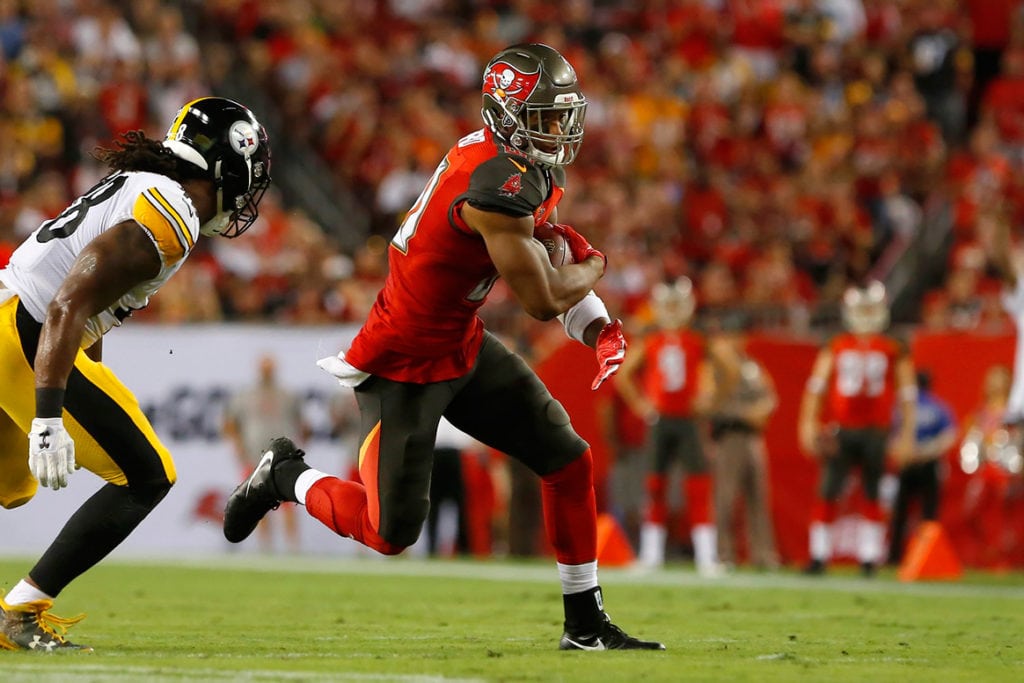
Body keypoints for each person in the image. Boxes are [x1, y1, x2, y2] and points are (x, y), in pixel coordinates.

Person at [222, 44, 663, 651]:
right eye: (544, 116)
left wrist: (594, 322)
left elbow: (548, 272)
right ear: (507, 114)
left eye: (561, 115)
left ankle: (585, 625)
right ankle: (286, 476)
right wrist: (596, 264)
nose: (559, 131)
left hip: (462, 341)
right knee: (390, 532)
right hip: (403, 361)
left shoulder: (514, 166)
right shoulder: (494, 184)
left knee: (568, 459)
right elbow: (542, 297)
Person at [0, 96, 271, 651]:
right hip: (25, 331)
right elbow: (66, 306)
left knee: (10, 488)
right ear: (226, 167)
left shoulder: (145, 186)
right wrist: (49, 418)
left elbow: (84, 312)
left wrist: (83, 383)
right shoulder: (170, 212)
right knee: (147, 475)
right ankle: (19, 615)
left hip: (12, 321)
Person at [798, 281, 916, 576]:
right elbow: (816, 387)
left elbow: (908, 395)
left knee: (873, 492)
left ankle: (869, 557)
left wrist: (907, 434)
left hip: (876, 430)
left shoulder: (892, 346)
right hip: (842, 429)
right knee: (828, 490)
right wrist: (808, 423)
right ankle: (818, 555)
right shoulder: (837, 344)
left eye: (869, 308)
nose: (864, 315)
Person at [614, 277, 720, 576]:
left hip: (687, 418)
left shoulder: (697, 339)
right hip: (661, 418)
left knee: (698, 485)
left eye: (677, 304)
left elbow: (716, 370)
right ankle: (651, 555)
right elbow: (624, 376)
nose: (672, 310)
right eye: (668, 304)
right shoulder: (651, 339)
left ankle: (706, 556)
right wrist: (641, 405)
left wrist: (709, 396)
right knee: (655, 485)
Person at [706, 314, 780, 571]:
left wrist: (760, 410)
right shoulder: (716, 367)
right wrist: (744, 412)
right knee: (725, 498)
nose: (735, 341)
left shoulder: (751, 366)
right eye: (730, 335)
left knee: (758, 497)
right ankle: (723, 553)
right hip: (728, 436)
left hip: (752, 436)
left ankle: (764, 555)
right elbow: (708, 401)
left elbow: (770, 396)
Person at [223, 353, 309, 554]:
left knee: (288, 503)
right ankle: (265, 548)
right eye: (264, 368)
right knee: (256, 504)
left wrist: (299, 446)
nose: (266, 372)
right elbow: (230, 423)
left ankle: (292, 548)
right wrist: (238, 446)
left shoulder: (287, 394)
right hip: (255, 456)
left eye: (269, 368)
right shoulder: (245, 395)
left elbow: (302, 423)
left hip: (284, 460)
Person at [886, 370, 957, 565]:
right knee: (927, 515)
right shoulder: (938, 406)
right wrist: (926, 451)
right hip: (925, 462)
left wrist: (906, 452)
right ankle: (925, 557)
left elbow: (890, 435)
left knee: (902, 514)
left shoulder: (903, 407)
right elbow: (949, 435)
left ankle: (896, 557)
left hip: (912, 462)